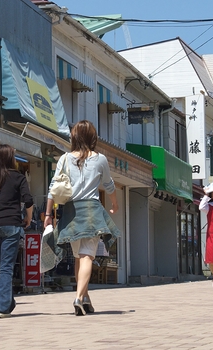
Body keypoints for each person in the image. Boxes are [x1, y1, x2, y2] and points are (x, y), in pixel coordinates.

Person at [43, 120, 119, 316]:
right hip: (92, 210)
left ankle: (85, 299)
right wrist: (115, 204)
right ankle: (78, 297)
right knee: (87, 256)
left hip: (71, 211)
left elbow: (53, 188)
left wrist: (48, 214)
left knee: (79, 256)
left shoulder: (65, 158)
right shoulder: (100, 159)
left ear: (74, 137)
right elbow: (109, 184)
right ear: (92, 138)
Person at [0, 144, 33, 318]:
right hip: (11, 225)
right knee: (6, 268)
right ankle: (2, 308)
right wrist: (28, 218)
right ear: (11, 159)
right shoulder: (18, 177)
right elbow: (28, 200)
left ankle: (8, 302)